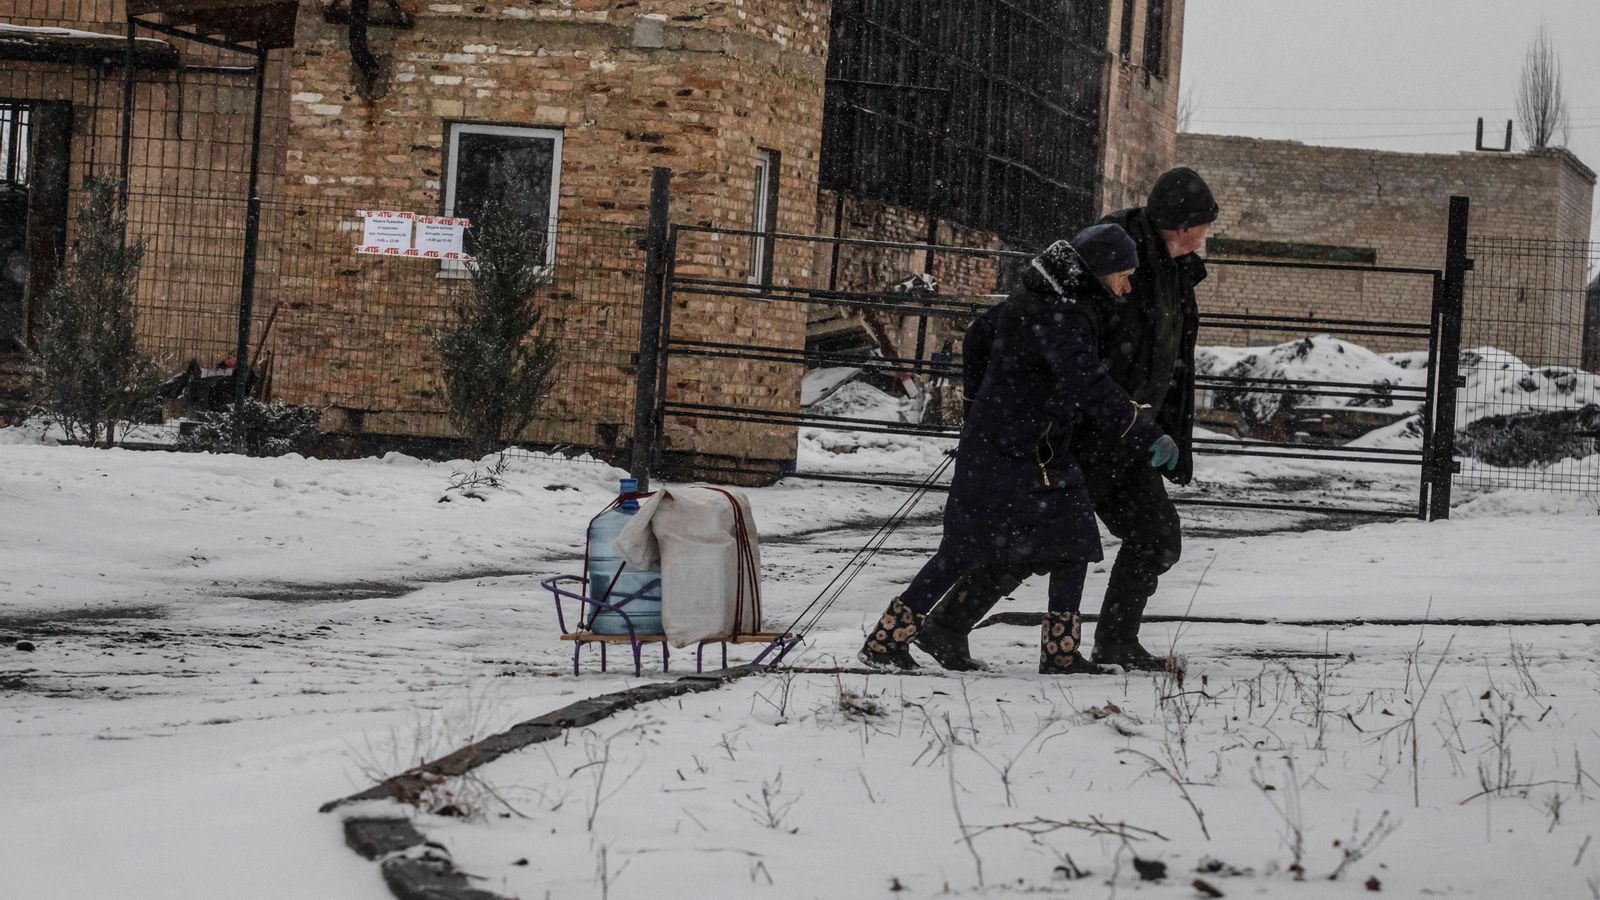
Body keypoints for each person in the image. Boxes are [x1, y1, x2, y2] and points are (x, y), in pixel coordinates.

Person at [914, 167, 1217, 672]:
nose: (1207, 234)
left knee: (1155, 537)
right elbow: (1001, 333)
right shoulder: (1113, 256)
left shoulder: (1176, 271)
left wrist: (1161, 430)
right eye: (1204, 223)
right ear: (1184, 225)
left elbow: (1169, 359)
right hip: (1078, 433)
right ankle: (946, 628)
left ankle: (1115, 640)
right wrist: (990, 413)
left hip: (1126, 432)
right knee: (1036, 545)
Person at [858, 225, 1180, 675]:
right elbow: (1088, 384)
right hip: (1012, 451)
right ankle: (884, 644)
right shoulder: (1060, 314)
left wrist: (977, 409)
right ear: (1099, 271)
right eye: (1123, 275)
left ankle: (1060, 655)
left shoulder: (1043, 300)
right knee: (965, 549)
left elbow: (977, 337)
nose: (1127, 287)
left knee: (1072, 542)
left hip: (1032, 446)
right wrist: (1144, 431)